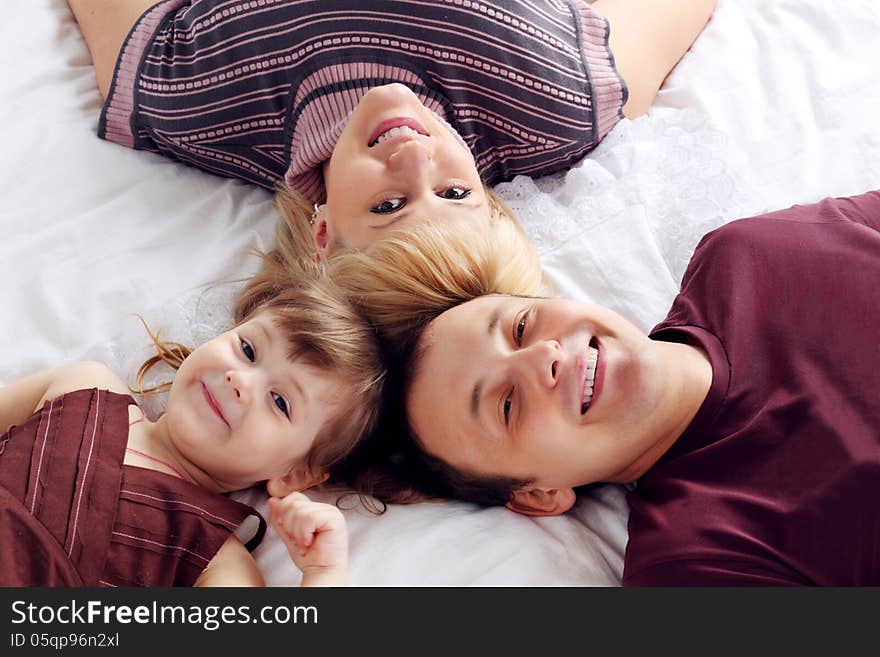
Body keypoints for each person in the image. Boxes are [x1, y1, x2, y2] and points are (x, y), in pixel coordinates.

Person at [328, 191, 880, 585]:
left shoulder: (750, 253)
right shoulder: (698, 564)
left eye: (520, 327)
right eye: (507, 404)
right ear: (538, 495)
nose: (543, 356)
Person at [67, 0, 717, 261]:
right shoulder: (555, 97)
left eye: (388, 205)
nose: (414, 161)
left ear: (323, 233)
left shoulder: (189, 93)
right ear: (495, 208)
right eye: (455, 195)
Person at [0, 270, 385, 586]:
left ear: (296, 473)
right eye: (248, 350)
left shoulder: (216, 558)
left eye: (280, 401)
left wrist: (323, 575)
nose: (240, 381)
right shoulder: (85, 384)